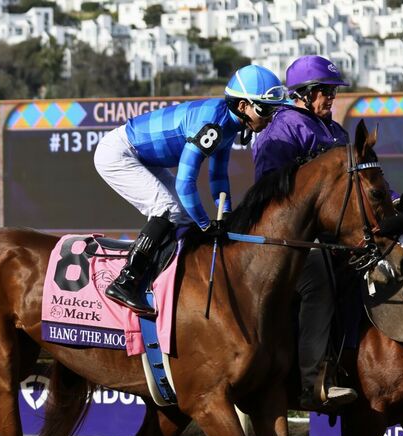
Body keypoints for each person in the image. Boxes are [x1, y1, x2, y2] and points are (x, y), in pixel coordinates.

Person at [95, 64, 290, 315]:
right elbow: (185, 182)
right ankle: (126, 281)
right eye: (264, 109)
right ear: (242, 106)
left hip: (143, 157)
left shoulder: (230, 125)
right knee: (168, 208)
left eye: (274, 110)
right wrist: (206, 224)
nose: (269, 118)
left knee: (182, 218)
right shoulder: (213, 125)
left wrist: (226, 214)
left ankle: (161, 282)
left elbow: (218, 175)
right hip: (119, 153)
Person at [251, 55, 358, 411]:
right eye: (325, 92)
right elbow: (269, 190)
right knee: (319, 285)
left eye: (332, 92)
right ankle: (312, 383)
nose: (331, 98)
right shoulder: (283, 129)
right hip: (291, 240)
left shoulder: (337, 132)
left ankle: (355, 364)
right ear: (304, 93)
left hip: (334, 237)